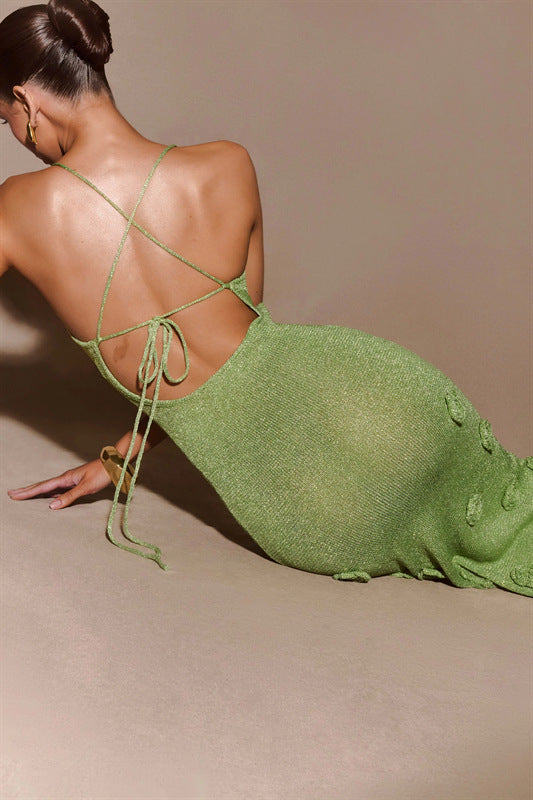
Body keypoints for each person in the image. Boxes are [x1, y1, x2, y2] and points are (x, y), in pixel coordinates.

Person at [1, 1, 531, 596]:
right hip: (389, 395)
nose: (17, 139)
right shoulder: (228, 164)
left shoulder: (17, 210)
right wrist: (118, 460)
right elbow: (246, 343)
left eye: (5, 121)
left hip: (312, 503)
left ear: (26, 101)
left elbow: (193, 387)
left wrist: (121, 460)